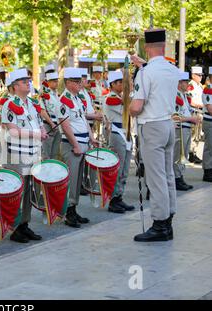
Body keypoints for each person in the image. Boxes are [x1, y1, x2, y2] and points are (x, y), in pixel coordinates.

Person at [130, 29, 179, 242]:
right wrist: (143, 66)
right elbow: (156, 75)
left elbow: (137, 106)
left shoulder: (145, 72)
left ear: (147, 48)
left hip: (151, 126)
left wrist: (130, 107)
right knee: (167, 175)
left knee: (155, 177)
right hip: (168, 124)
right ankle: (168, 221)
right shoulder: (172, 69)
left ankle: (159, 224)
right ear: (163, 46)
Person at [1, 68, 47, 243]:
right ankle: (14, 228)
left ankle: (24, 224)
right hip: (18, 153)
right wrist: (37, 134)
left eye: (28, 81)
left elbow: (39, 122)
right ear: (15, 86)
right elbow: (13, 131)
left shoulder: (30, 103)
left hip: (32, 152)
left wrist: (42, 131)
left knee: (29, 191)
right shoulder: (9, 104)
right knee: (18, 192)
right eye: (24, 81)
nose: (28, 83)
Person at [60, 68, 99, 228]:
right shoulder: (64, 100)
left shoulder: (77, 99)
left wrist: (92, 138)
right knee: (71, 179)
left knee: (78, 180)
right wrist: (76, 145)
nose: (80, 84)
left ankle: (74, 209)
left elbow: (83, 120)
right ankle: (68, 212)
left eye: (80, 81)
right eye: (76, 82)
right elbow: (65, 124)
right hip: (72, 144)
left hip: (82, 142)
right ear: (68, 82)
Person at [103, 71, 135, 213]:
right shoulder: (111, 98)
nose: (122, 85)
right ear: (112, 84)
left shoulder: (121, 97)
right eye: (120, 82)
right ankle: (112, 200)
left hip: (126, 134)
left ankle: (118, 197)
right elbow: (129, 109)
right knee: (117, 169)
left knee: (125, 170)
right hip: (117, 134)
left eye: (123, 82)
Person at [40, 71, 62, 160]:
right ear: (48, 82)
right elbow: (42, 111)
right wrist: (52, 123)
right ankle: (46, 172)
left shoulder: (57, 94)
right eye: (54, 81)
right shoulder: (45, 95)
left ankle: (53, 171)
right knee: (46, 153)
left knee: (55, 153)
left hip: (58, 125)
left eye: (57, 81)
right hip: (48, 124)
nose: (56, 83)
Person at [187, 65, 204, 164]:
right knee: (193, 134)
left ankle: (194, 152)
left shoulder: (199, 86)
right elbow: (190, 101)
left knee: (198, 135)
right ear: (193, 75)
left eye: (201, 75)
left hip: (200, 112)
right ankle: (191, 153)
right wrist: (200, 105)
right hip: (194, 111)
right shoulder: (191, 85)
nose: (200, 77)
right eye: (198, 75)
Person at [202, 67, 212, 182]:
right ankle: (208, 171)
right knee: (210, 147)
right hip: (209, 121)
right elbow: (210, 109)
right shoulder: (208, 89)